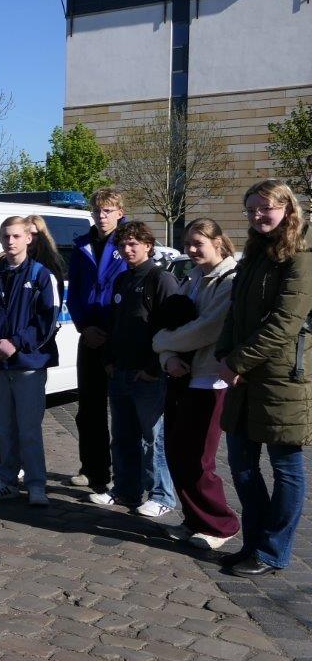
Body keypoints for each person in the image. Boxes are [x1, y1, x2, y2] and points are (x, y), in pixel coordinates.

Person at [216, 180, 312, 577]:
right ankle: (254, 541)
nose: (257, 216)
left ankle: (273, 551)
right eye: (251, 209)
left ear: (287, 208)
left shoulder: (302, 257)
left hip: (282, 379)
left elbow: (285, 324)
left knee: (286, 467)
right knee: (241, 465)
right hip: (244, 377)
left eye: (265, 208)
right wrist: (225, 354)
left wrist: (237, 363)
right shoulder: (255, 254)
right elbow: (235, 312)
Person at [151, 218, 240, 550]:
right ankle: (195, 519)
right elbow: (171, 324)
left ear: (218, 242)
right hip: (182, 376)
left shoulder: (230, 282)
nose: (190, 250)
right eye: (187, 243)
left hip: (210, 380)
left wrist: (161, 344)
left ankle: (221, 524)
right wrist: (167, 356)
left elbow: (206, 329)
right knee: (176, 453)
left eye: (197, 243)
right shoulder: (193, 279)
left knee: (199, 458)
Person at [90, 221, 179, 516]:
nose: (127, 250)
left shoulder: (160, 278)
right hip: (121, 372)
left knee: (154, 439)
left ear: (148, 246)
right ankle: (126, 491)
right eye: (123, 245)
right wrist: (109, 361)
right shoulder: (122, 280)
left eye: (133, 245)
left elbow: (172, 327)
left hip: (148, 374)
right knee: (123, 436)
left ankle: (162, 496)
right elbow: (115, 325)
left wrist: (154, 368)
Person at [0, 216, 59, 507]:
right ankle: (7, 481)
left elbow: (47, 322)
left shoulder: (41, 276)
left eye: (15, 236)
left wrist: (15, 343)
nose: (9, 241)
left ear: (28, 239)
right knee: (2, 427)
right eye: (5, 237)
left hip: (28, 364)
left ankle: (36, 484)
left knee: (29, 428)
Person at [65, 189, 128, 493]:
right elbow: (74, 293)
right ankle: (93, 468)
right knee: (89, 409)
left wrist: (115, 332)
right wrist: (84, 326)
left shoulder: (129, 243)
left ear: (120, 212)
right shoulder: (82, 246)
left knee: (122, 409)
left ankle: (124, 472)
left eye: (108, 211)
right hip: (88, 336)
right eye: (97, 211)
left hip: (118, 339)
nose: (101, 217)